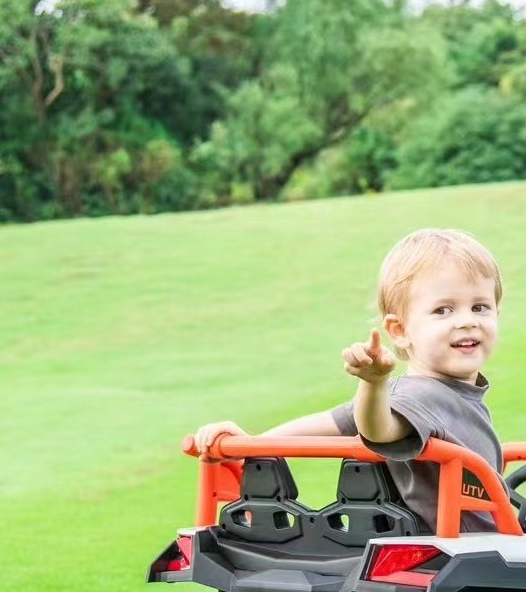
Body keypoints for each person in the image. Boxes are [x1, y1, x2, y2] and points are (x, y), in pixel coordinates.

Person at [194, 228, 504, 532]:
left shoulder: (441, 394)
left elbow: (332, 422)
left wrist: (251, 445)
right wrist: (373, 383)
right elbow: (379, 430)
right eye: (443, 310)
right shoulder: (420, 398)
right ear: (399, 330)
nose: (467, 321)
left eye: (480, 307)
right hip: (471, 555)